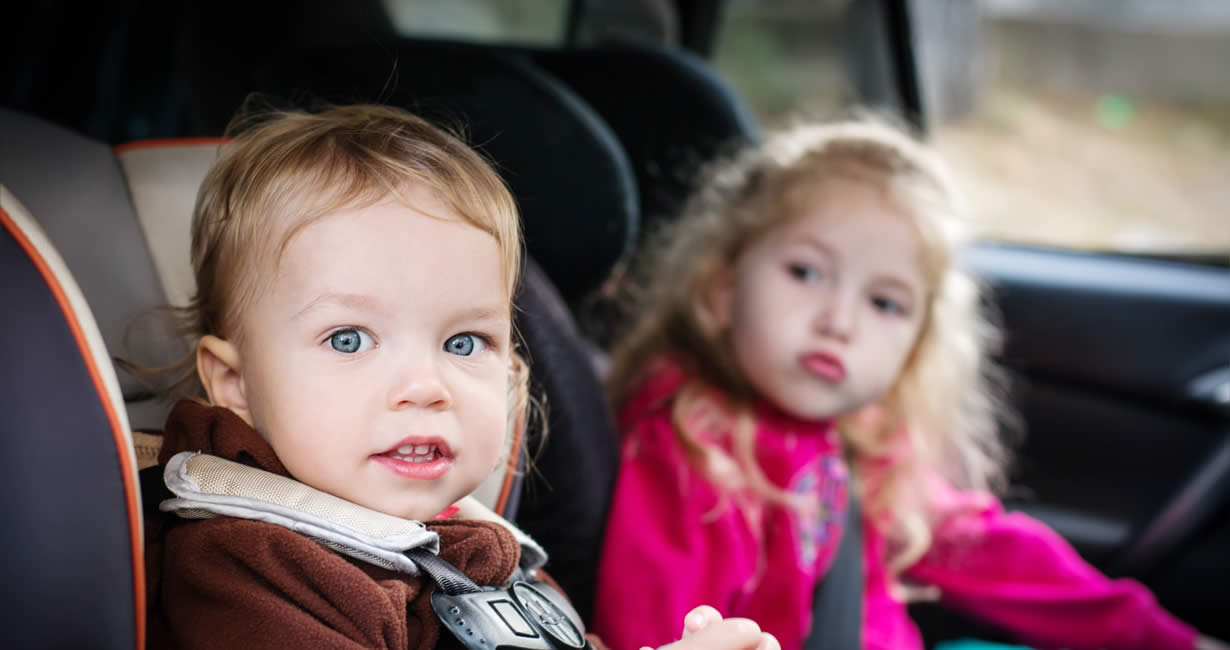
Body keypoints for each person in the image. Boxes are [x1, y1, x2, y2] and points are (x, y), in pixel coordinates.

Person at [142, 103, 780, 650]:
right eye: (348, 339)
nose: (426, 386)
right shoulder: (249, 564)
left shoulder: (485, 547)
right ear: (235, 385)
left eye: (463, 341)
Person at [592, 119, 1226, 650]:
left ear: (915, 345)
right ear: (723, 288)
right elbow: (662, 633)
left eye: (885, 303)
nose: (838, 321)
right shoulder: (692, 451)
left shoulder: (861, 439)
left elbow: (998, 557)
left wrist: (1163, 639)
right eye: (807, 272)